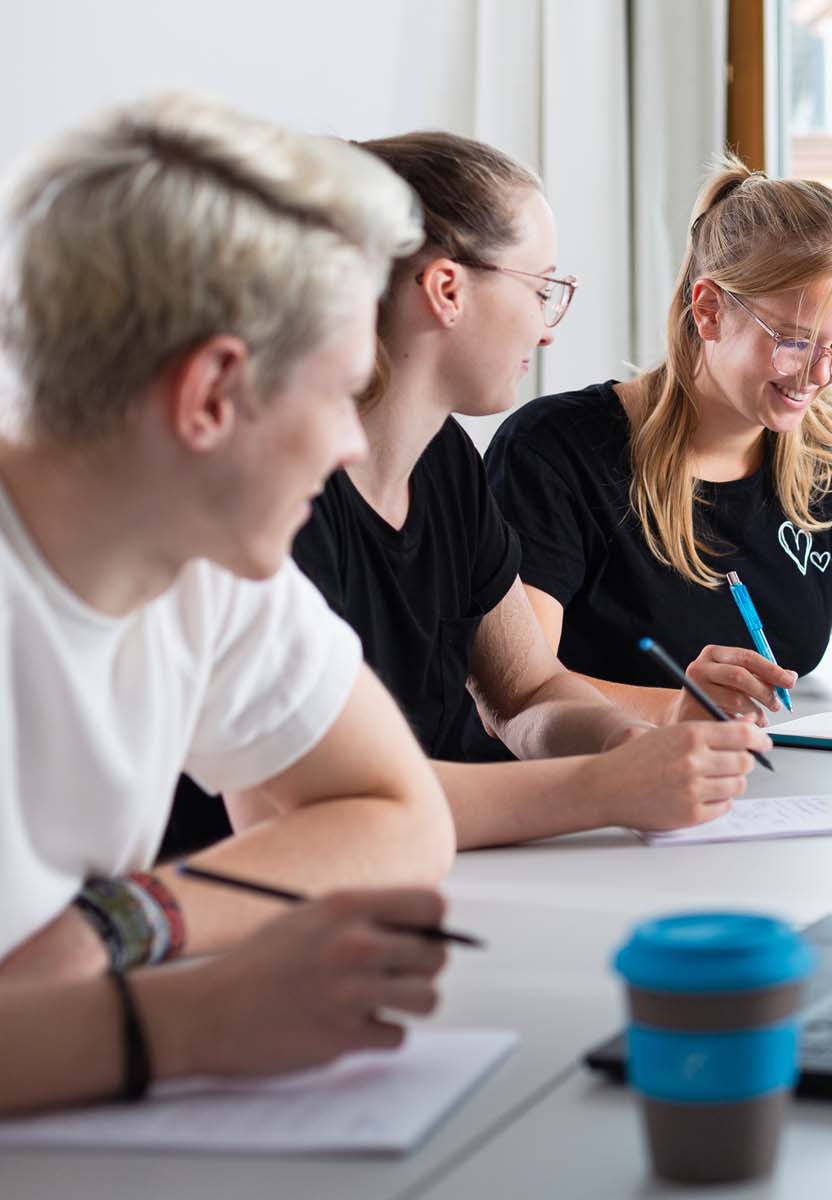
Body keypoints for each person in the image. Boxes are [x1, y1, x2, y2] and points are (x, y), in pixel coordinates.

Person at [0, 95, 452, 1112]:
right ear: (211, 395)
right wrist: (195, 1022)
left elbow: (397, 814)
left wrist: (125, 920)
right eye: (339, 391)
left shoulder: (197, 553)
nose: (349, 444)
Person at [188, 132, 769, 855]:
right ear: (447, 290)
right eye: (540, 289)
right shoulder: (279, 496)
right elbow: (308, 811)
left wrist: (625, 742)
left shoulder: (447, 460)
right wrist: (603, 788)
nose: (547, 330)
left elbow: (525, 692)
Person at [485, 158, 832, 714]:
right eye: (795, 342)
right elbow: (520, 689)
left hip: (766, 783)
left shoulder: (830, 456)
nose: (822, 375)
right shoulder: (554, 451)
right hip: (599, 783)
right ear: (709, 311)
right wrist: (682, 710)